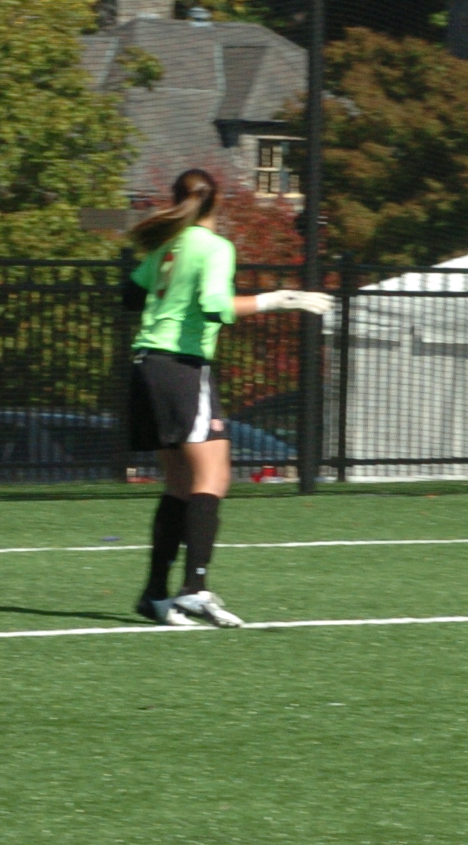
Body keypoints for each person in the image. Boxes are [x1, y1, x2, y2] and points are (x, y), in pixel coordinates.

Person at [123, 168, 330, 627]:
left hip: (147, 365)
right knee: (214, 477)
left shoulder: (168, 245)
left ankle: (155, 595)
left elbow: (129, 295)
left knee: (180, 485)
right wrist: (281, 298)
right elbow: (216, 306)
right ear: (217, 202)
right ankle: (194, 589)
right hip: (181, 368)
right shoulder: (214, 247)